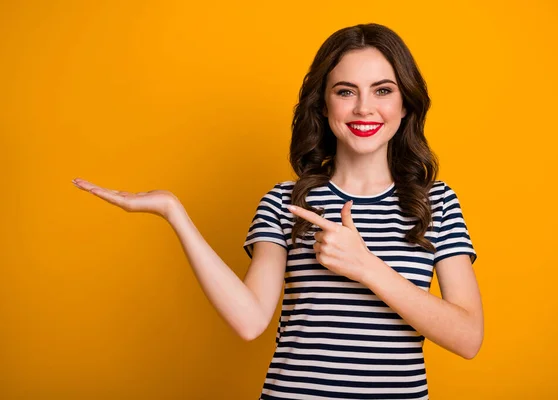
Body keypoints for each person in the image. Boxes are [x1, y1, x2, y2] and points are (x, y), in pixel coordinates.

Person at [73, 23, 483, 400]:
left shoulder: (437, 203)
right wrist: (174, 212)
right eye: (345, 91)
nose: (363, 108)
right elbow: (250, 320)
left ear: (406, 103)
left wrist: (366, 266)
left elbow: (467, 337)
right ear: (323, 105)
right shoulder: (286, 201)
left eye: (382, 90)